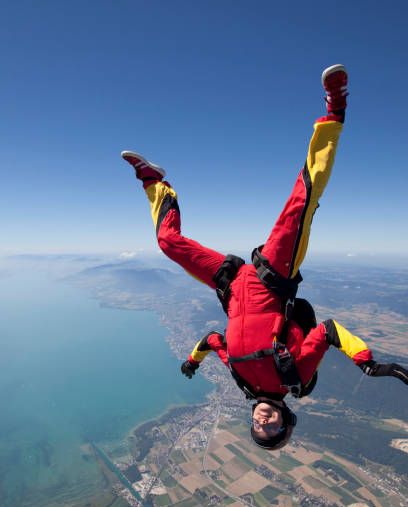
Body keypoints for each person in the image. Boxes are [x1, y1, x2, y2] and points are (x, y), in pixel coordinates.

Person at [121, 65, 408, 452]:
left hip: (230, 285)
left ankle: (156, 183)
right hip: (272, 278)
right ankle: (334, 112)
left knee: (168, 243)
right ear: (286, 421)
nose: (262, 424)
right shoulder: (295, 378)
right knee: (302, 201)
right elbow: (329, 331)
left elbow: (213, 339)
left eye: (258, 431)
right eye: (272, 429)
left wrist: (192, 361)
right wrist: (367, 362)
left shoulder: (242, 382)